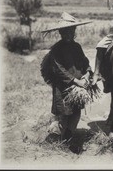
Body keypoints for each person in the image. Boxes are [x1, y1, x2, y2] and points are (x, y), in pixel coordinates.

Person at [40, 12, 93, 141]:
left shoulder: (77, 47)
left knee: (76, 111)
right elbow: (59, 70)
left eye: (71, 31)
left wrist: (86, 74)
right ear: (60, 33)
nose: (68, 34)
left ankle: (70, 135)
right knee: (64, 112)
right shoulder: (56, 49)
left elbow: (85, 63)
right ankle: (60, 138)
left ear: (74, 31)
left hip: (78, 89)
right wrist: (76, 81)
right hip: (63, 88)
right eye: (65, 32)